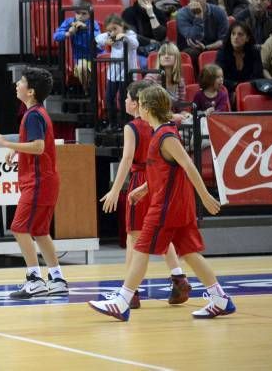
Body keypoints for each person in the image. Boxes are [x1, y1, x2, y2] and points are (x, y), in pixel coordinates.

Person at [89, 84, 235, 321]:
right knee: (189, 253)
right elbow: (168, 170)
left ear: (147, 107)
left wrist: (206, 196)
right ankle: (219, 299)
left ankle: (123, 300)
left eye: (141, 103)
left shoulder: (166, 135)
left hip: (168, 205)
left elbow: (188, 165)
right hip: (174, 203)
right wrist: (145, 188)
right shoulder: (161, 132)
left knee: (141, 248)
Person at [100, 80, 190, 309]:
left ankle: (131, 292)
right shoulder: (162, 125)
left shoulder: (132, 127)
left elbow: (127, 158)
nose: (126, 102)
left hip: (141, 181)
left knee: (134, 237)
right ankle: (179, 277)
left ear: (138, 102)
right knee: (162, 234)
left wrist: (115, 188)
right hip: (160, 183)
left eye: (129, 99)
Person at [0, 67, 68, 299]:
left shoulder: (32, 115)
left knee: (19, 228)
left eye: (21, 82)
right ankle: (57, 278)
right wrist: (17, 152)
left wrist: (7, 144)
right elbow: (35, 145)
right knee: (40, 231)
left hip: (39, 182)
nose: (16, 84)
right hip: (47, 180)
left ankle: (34, 279)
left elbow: (38, 146)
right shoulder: (37, 113)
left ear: (30, 91)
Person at [95, 15, 139, 128]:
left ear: (122, 25)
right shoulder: (110, 35)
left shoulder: (130, 34)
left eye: (115, 28)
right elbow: (97, 39)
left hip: (127, 73)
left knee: (124, 99)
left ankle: (126, 124)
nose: (113, 32)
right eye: (110, 30)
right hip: (113, 74)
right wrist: (107, 40)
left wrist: (124, 37)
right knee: (109, 98)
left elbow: (135, 44)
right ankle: (113, 124)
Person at [176, 0, 228, 69]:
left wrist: (206, 47)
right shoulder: (182, 14)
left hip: (213, 47)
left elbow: (224, 40)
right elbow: (195, 38)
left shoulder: (219, 12)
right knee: (192, 53)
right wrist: (198, 16)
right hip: (190, 49)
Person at [53, 1, 101, 94]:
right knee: (82, 67)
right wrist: (68, 33)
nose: (80, 16)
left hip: (95, 57)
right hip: (78, 58)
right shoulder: (69, 22)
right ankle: (87, 89)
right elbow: (56, 36)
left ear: (90, 14)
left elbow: (98, 39)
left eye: (84, 14)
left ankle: (89, 89)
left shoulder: (93, 23)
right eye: (77, 13)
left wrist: (87, 29)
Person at [214, 21, 263, 102]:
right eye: (233, 34)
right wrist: (236, 87)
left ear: (247, 38)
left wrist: (242, 89)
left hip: (250, 89)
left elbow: (258, 75)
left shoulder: (254, 52)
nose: (236, 37)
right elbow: (219, 78)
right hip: (227, 89)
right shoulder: (222, 52)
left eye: (240, 34)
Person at [122, 0, 168, 65]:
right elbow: (132, 36)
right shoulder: (128, 12)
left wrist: (151, 14)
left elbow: (160, 36)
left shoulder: (160, 13)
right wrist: (151, 41)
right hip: (136, 49)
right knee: (145, 63)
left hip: (157, 50)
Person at [145, 43, 188, 117]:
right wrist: (171, 116)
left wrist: (184, 114)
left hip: (172, 119)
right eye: (163, 54)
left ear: (176, 58)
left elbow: (181, 106)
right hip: (155, 119)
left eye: (170, 54)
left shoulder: (179, 81)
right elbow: (147, 105)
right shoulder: (151, 78)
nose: (166, 56)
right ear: (159, 58)